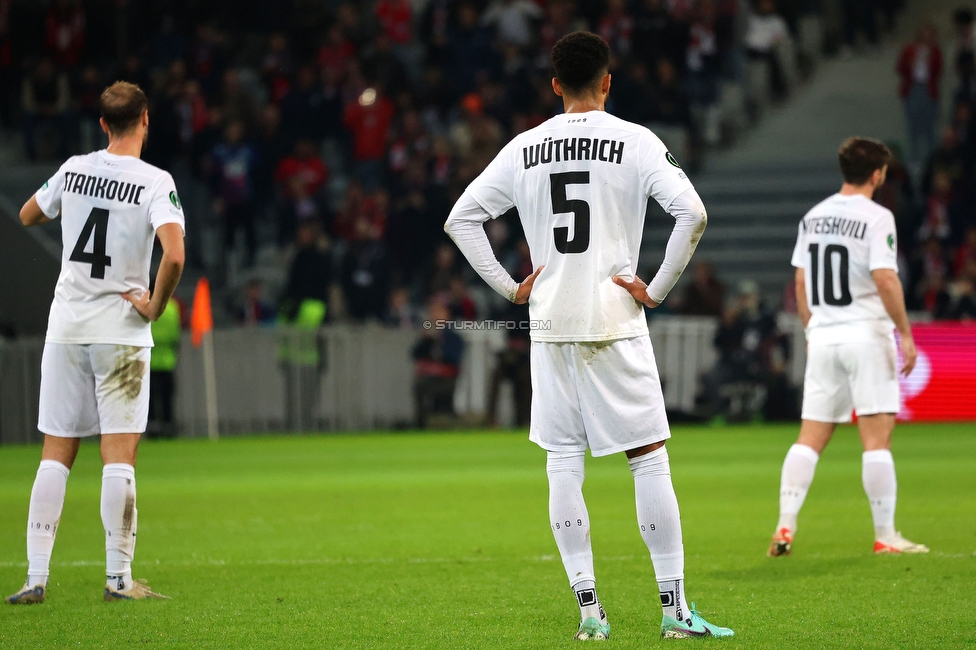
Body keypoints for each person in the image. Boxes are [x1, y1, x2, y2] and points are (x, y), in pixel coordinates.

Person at [444, 32, 733, 640]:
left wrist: (509, 288)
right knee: (648, 458)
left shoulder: (524, 147)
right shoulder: (635, 140)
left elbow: (462, 219)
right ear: (608, 81)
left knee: (563, 463)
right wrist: (653, 290)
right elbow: (694, 213)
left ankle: (589, 613)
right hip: (612, 319)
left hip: (550, 322)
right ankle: (675, 612)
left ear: (555, 85)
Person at [6, 81, 185, 604]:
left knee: (55, 452)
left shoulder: (75, 168)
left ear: (103, 123)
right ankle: (118, 580)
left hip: (66, 328)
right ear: (145, 120)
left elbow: (25, 215)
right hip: (121, 335)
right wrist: (153, 305)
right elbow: (173, 256)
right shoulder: (155, 182)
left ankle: (35, 577)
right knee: (118, 455)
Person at [769, 137, 927, 558]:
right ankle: (886, 535)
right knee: (876, 440)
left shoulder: (813, 216)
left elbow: (801, 281)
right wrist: (906, 333)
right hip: (865, 334)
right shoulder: (877, 217)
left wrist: (811, 328)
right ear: (878, 174)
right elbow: (886, 278)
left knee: (809, 439)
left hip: (823, 336)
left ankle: (786, 523)